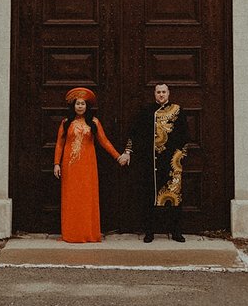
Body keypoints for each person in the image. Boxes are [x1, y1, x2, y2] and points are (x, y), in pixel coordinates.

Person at [53, 85, 124, 243]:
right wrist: (56, 163)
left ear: (87, 106)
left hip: (87, 166)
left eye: (83, 104)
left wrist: (118, 157)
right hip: (70, 166)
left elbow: (104, 142)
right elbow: (59, 144)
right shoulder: (66, 123)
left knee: (87, 198)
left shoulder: (94, 122)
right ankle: (71, 233)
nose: (80, 106)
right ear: (73, 106)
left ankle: (88, 233)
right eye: (77, 103)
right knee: (71, 198)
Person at [123, 81, 190, 242]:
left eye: (163, 92)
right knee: (150, 197)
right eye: (158, 92)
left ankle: (176, 231)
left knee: (173, 197)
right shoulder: (147, 111)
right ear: (154, 94)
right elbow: (134, 132)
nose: (161, 95)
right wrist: (128, 151)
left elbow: (185, 135)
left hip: (171, 162)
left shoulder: (178, 110)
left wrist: (180, 156)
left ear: (168, 93)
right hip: (150, 162)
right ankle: (149, 231)